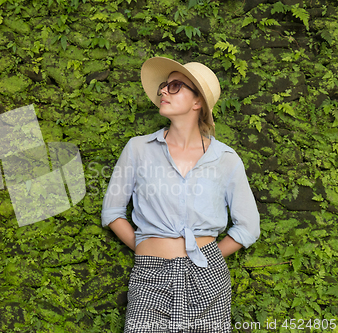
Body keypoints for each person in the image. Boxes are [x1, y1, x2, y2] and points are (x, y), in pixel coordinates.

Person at [101, 56, 260, 332]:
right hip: (150, 276)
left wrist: (207, 259)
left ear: (198, 102)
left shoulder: (225, 158)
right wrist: (146, 250)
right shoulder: (138, 149)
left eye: (175, 86)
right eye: (164, 85)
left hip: (207, 279)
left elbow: (249, 226)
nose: (163, 91)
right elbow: (112, 212)